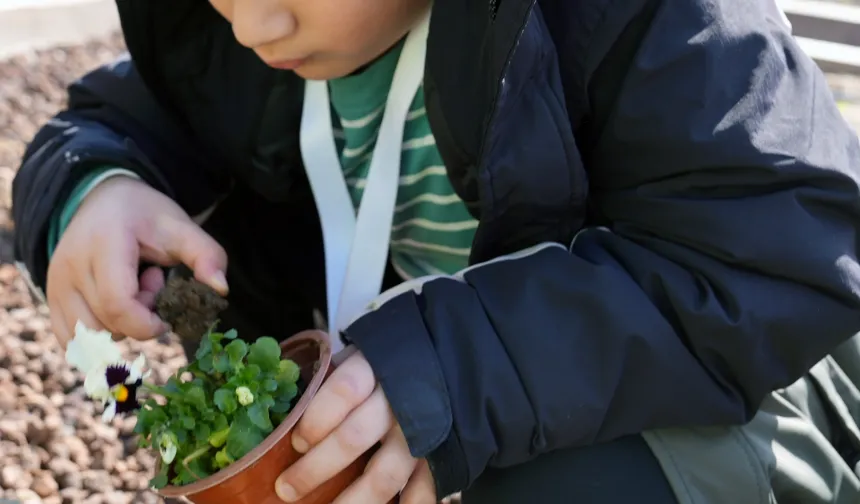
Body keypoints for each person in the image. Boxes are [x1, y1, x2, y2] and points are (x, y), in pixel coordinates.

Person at [12, 0, 860, 502]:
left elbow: (782, 249)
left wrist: (454, 370)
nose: (255, 22)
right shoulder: (234, 38)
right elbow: (107, 120)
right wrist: (90, 191)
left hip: (736, 399)